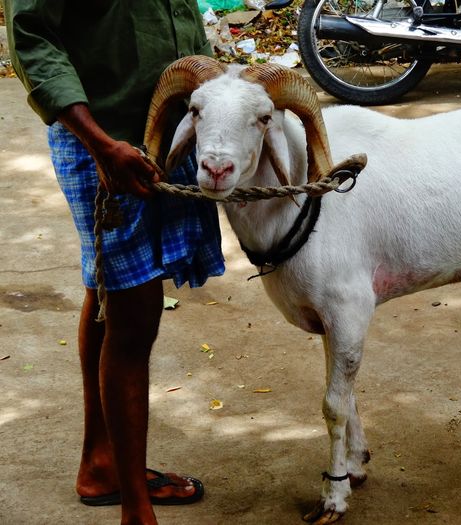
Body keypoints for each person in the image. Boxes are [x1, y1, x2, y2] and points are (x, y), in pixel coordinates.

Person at [6, 1, 226, 524]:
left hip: (164, 134)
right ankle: (135, 510)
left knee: (106, 289)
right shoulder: (103, 144)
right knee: (134, 313)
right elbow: (32, 36)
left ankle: (102, 464)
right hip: (106, 142)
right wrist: (101, 144)